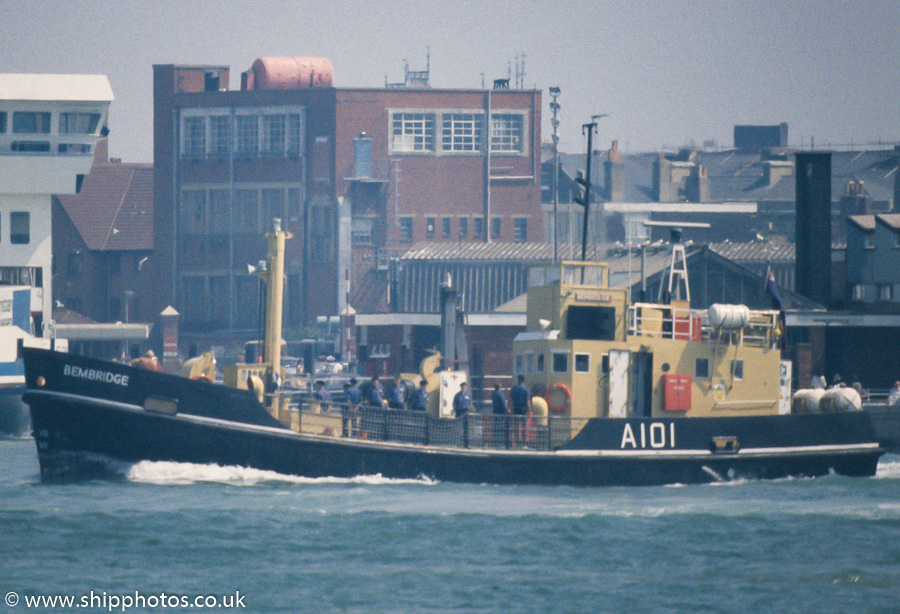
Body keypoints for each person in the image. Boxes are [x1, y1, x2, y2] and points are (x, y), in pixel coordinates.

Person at [510, 375, 530, 445]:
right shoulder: (526, 389)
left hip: (516, 408)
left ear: (518, 380)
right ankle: (523, 443)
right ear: (523, 381)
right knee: (524, 426)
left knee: (516, 426)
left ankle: (517, 441)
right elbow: (527, 400)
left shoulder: (514, 388)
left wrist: (511, 409)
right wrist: (529, 409)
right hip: (523, 409)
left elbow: (512, 401)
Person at [491, 382, 509, 448]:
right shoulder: (500, 394)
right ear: (499, 387)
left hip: (495, 411)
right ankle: (501, 442)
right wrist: (508, 409)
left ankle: (495, 441)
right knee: (501, 427)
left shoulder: (493, 394)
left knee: (496, 426)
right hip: (501, 412)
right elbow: (504, 403)